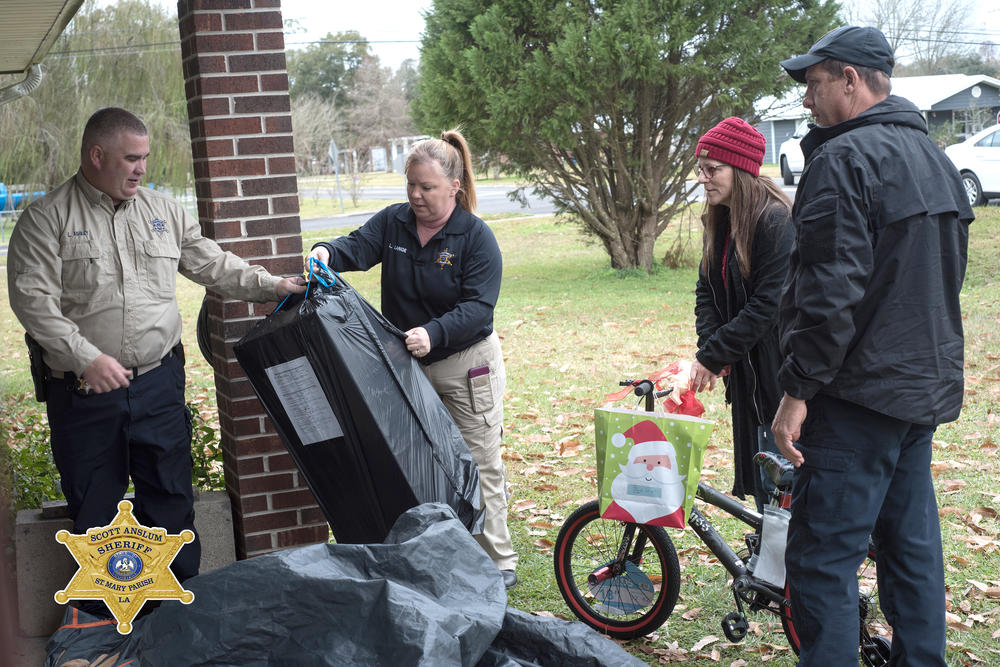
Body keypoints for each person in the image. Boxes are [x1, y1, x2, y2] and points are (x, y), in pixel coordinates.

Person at [7, 108, 306, 610]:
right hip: (84, 393)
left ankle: (175, 615)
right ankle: (108, 628)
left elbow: (211, 263)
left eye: (144, 158)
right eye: (131, 158)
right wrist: (85, 358)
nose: (141, 168)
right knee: (96, 511)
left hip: (157, 385)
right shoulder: (47, 218)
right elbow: (33, 301)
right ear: (96, 155)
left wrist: (271, 285)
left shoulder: (163, 212)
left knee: (170, 500)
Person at [771, 27, 973, 665]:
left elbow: (829, 293)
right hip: (916, 394)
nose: (807, 100)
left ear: (851, 79)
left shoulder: (845, 158)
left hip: (854, 398)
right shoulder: (935, 159)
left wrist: (796, 390)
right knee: (911, 550)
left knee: (821, 562)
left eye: (814, 83)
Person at [307, 130, 518, 589]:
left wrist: (434, 331)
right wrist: (327, 251)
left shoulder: (476, 237)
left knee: (479, 463)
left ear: (454, 188)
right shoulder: (394, 224)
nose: (416, 196)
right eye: (411, 185)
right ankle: (432, 555)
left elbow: (479, 307)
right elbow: (356, 247)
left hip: (467, 364)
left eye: (427, 187)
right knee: (415, 461)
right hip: (407, 366)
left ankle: (498, 563)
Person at [688, 117, 793, 512]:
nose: (704, 178)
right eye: (701, 169)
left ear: (742, 169)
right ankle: (771, 566)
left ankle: (787, 567)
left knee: (786, 480)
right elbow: (706, 292)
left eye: (713, 169)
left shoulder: (776, 220)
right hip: (748, 374)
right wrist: (712, 348)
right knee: (766, 481)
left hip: (779, 370)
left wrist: (714, 355)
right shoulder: (721, 220)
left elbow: (768, 306)